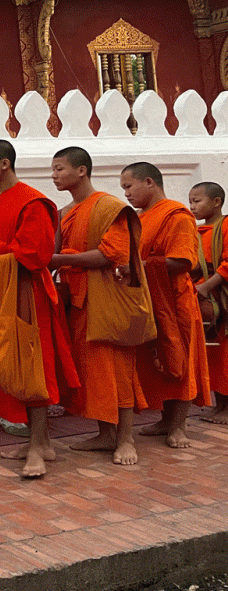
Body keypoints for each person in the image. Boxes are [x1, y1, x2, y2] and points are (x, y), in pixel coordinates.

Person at [0, 140, 77, 479]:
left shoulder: (33, 201)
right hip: (2, 290)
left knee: (33, 364)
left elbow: (36, 255)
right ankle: (34, 440)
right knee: (12, 363)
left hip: (29, 292)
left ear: (4, 164)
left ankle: (42, 444)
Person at [49, 147, 144, 465]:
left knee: (118, 370)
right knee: (95, 373)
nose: (54, 175)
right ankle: (105, 434)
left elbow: (111, 255)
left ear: (81, 171)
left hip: (108, 299)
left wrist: (60, 259)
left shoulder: (108, 207)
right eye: (52, 170)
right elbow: (50, 254)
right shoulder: (64, 212)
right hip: (77, 301)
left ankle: (126, 438)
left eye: (59, 169)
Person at [120, 163, 211, 448]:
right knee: (158, 361)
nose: (126, 194)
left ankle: (179, 427)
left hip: (176, 301)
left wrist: (137, 266)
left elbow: (184, 261)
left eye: (129, 186)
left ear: (149, 182)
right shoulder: (139, 218)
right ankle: (164, 419)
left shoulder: (177, 214)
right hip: (147, 299)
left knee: (181, 360)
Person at [190, 181, 228, 424]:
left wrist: (206, 286)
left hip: (221, 296)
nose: (192, 206)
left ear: (216, 202)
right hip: (205, 302)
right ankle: (219, 405)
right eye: (190, 201)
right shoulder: (196, 231)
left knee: (226, 355)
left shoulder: (226, 226)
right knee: (213, 355)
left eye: (197, 201)